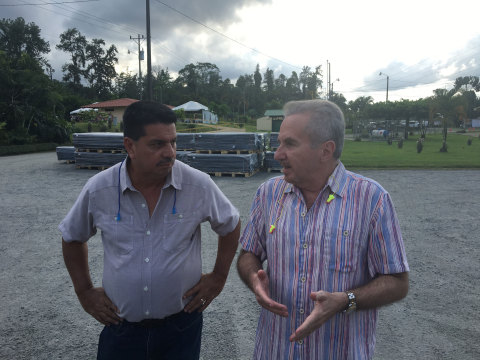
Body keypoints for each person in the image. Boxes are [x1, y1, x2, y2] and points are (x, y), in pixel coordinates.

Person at [60, 100, 240, 360]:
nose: (169, 152)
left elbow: (231, 224)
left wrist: (219, 276)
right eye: (157, 144)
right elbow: (72, 237)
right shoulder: (100, 189)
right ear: (130, 146)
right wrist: (85, 291)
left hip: (181, 329)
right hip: (121, 330)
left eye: (173, 142)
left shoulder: (197, 185)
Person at [237, 99, 409, 359]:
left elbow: (397, 282)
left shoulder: (372, 199)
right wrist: (254, 279)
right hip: (274, 351)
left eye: (290, 144)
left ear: (326, 150)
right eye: (279, 142)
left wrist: (345, 300)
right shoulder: (269, 193)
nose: (277, 153)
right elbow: (248, 253)